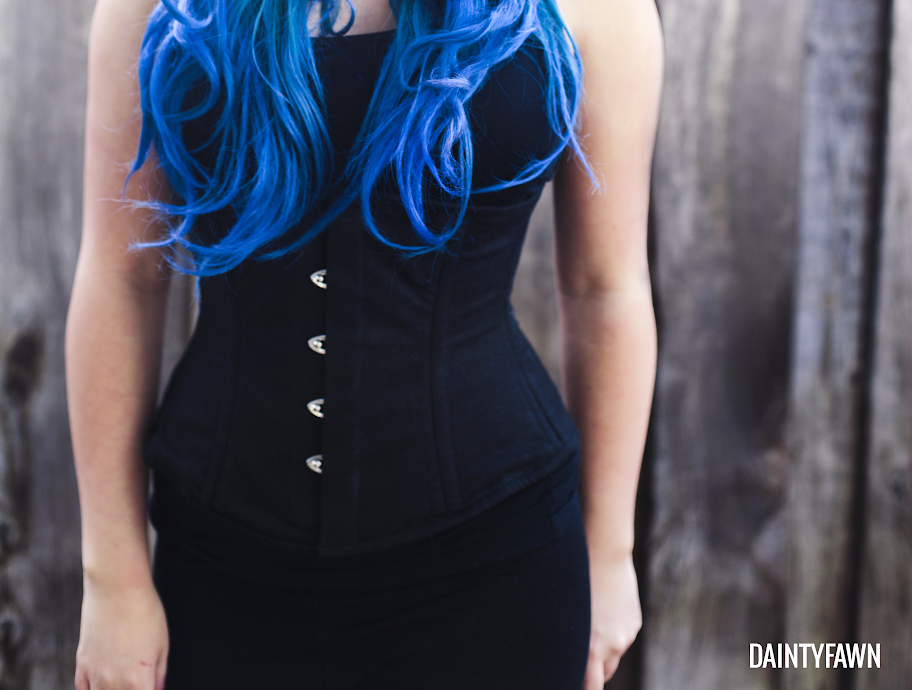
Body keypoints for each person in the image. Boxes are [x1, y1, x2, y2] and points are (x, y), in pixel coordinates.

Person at [66, 0, 662, 688]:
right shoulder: (153, 7)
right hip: (222, 566)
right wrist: (112, 577)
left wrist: (609, 551)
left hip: (494, 565)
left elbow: (604, 289)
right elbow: (122, 276)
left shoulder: (599, 10)